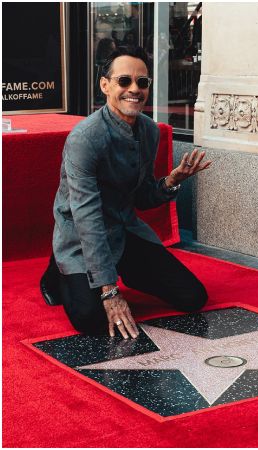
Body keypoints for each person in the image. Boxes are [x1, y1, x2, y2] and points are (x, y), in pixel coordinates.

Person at [40, 47, 211, 339]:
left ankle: (125, 269)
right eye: (124, 81)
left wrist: (170, 181)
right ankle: (58, 269)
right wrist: (109, 292)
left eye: (142, 82)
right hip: (82, 238)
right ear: (105, 86)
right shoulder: (84, 138)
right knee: (91, 318)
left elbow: (141, 197)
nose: (134, 89)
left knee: (193, 298)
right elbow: (87, 218)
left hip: (124, 231)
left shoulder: (149, 131)